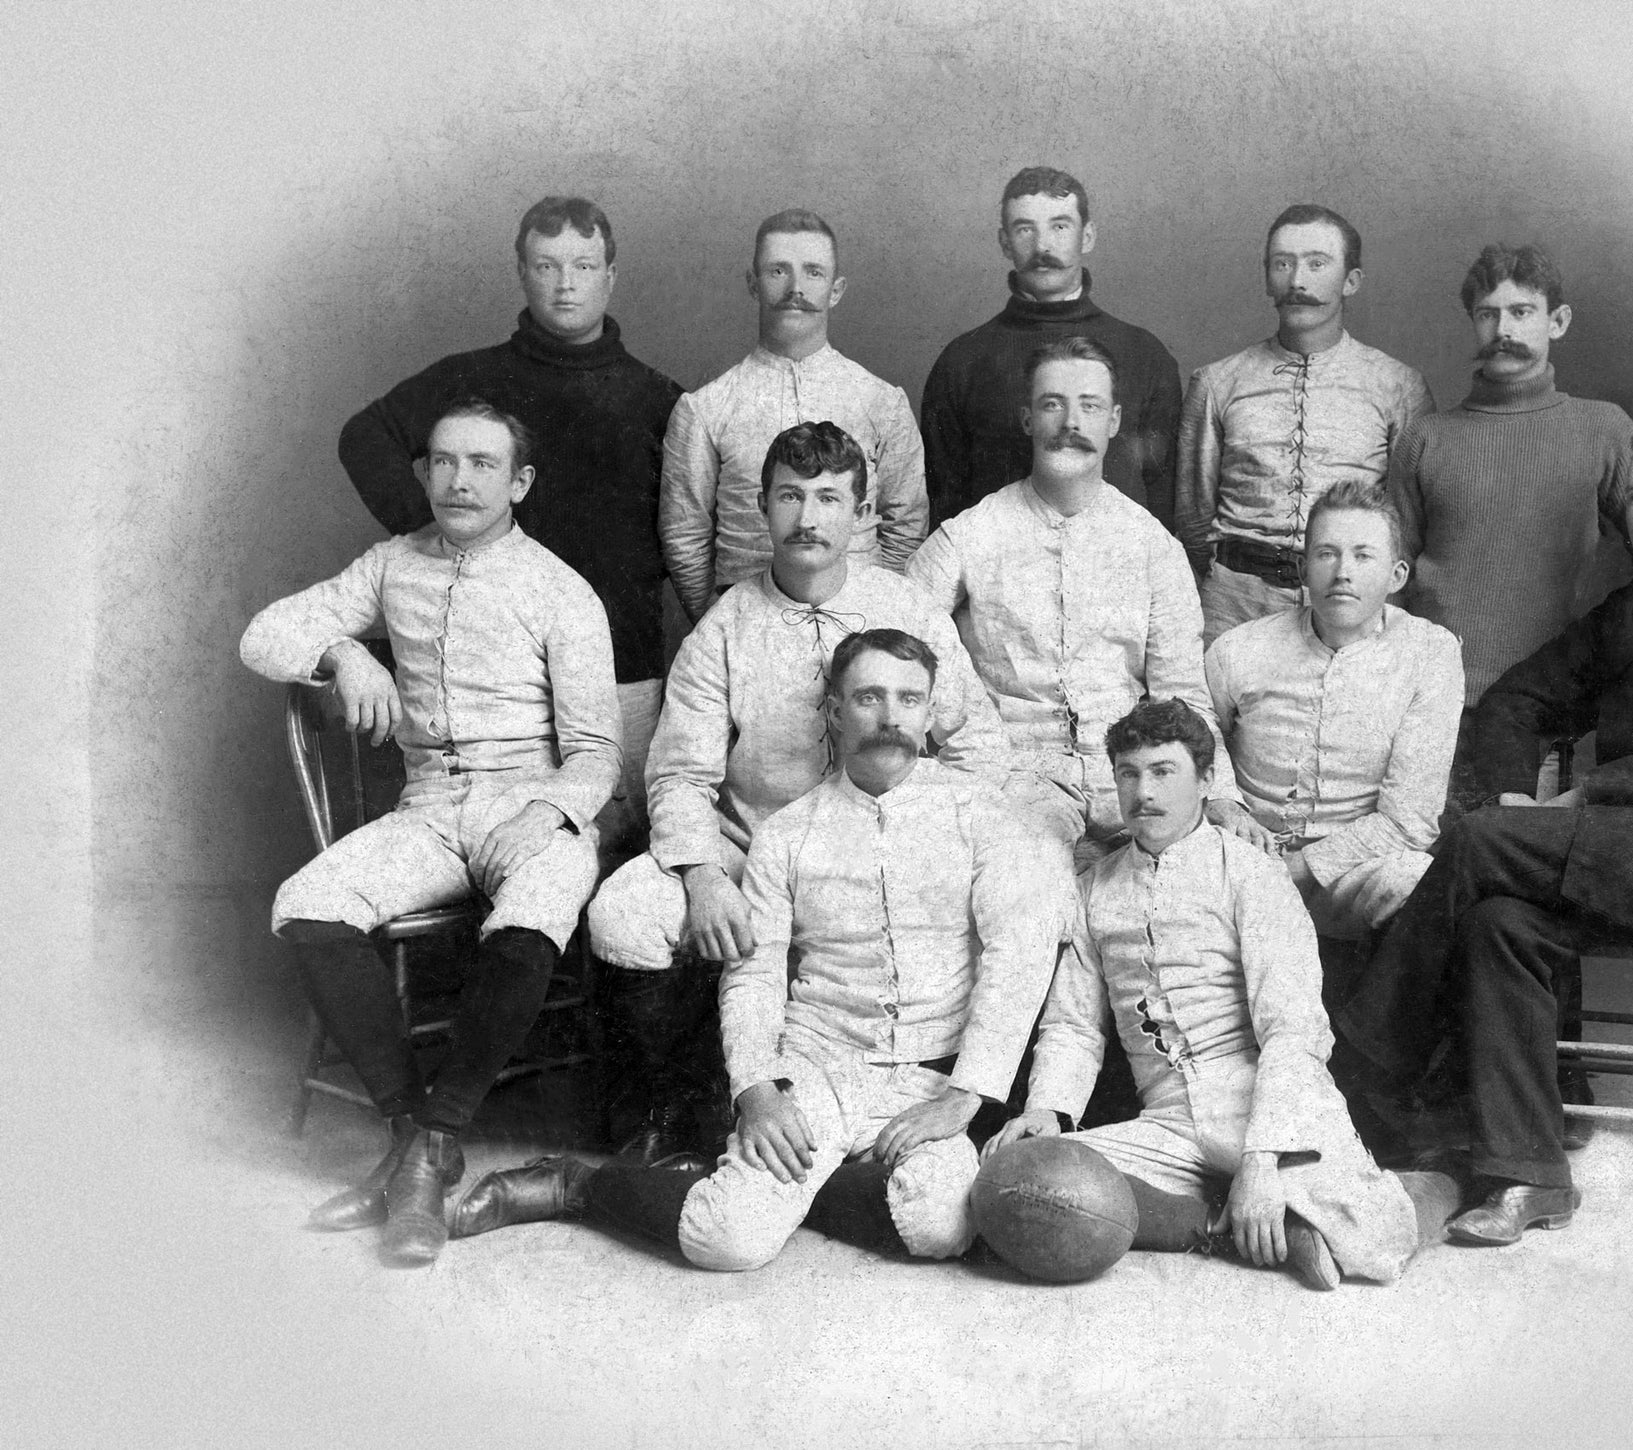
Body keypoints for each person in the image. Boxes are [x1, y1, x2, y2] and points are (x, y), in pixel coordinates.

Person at [448, 630, 1070, 1270]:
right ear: (833, 710)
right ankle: (573, 1185)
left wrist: (965, 1097)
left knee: (940, 1226)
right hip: (821, 1064)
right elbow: (755, 976)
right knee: (727, 1241)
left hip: (931, 1076)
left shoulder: (983, 817)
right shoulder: (788, 834)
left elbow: (1015, 957)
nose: (890, 718)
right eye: (868, 698)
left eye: (909, 700)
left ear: (933, 713)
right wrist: (756, 1091)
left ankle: (780, 1190)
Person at [1329, 426, 1633, 1245]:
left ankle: (1361, 1059)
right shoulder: (1625, 613)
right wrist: (1523, 789)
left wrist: (1576, 800)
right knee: (1497, 923)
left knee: (1482, 842)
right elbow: (1518, 699)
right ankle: (1532, 1175)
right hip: (1615, 863)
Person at [242, 400, 621, 1265]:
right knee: (307, 902)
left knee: (541, 901)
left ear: (519, 482)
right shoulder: (389, 565)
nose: (459, 480)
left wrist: (548, 814)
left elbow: (598, 753)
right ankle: (419, 1136)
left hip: (531, 804)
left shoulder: (560, 589)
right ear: (423, 474)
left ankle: (429, 1136)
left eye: (484, 464)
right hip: (427, 809)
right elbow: (264, 635)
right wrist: (346, 653)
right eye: (444, 461)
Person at [587, 421, 1009, 1161]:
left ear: (860, 512)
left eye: (828, 498)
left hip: (884, 849)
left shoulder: (907, 609)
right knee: (624, 913)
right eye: (790, 496)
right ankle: (671, 1108)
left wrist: (935, 842)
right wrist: (704, 873)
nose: (808, 519)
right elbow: (681, 773)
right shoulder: (725, 627)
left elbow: (976, 745)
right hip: (755, 852)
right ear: (761, 506)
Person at [987, 699, 1460, 1290]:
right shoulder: (1093, 888)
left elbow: (1291, 1030)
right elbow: (1075, 1026)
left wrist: (1262, 1161)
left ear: (1206, 781)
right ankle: (1227, 1224)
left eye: (1163, 772)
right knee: (1030, 1181)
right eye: (1129, 774)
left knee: (1370, 1235)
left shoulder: (1251, 873)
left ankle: (1437, 1186)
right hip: (1166, 1119)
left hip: (1265, 1104)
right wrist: (1046, 1111)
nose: (1143, 792)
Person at [337, 197, 679, 852]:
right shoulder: (475, 377)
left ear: (611, 274)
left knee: (611, 852)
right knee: (497, 852)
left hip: (620, 668)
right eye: (546, 265)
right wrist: (436, 537)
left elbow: (692, 530)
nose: (565, 282)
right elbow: (365, 437)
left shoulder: (661, 400)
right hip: (493, 674)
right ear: (521, 271)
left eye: (583, 264)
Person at [911, 337, 1253, 867]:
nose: (1070, 422)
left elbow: (1182, 693)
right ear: (1028, 420)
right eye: (1053, 404)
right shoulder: (968, 536)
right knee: (1030, 886)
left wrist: (1224, 796)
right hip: (1014, 782)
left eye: (1089, 405)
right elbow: (903, 652)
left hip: (1129, 775)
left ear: (1114, 420)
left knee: (1211, 877)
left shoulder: (1152, 546)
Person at [1205, 481, 1463, 959]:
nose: (1343, 572)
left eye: (1364, 556)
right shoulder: (1238, 648)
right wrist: (1225, 804)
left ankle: (1371, 1032)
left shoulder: (1430, 654)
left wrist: (1298, 868)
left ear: (1398, 574)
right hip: (1239, 861)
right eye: (1326, 554)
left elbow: (1410, 820)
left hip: (1352, 871)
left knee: (1414, 881)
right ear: (1304, 569)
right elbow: (1198, 736)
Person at [1385, 242, 1633, 714]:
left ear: (1557, 322)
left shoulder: (1604, 429)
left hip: (1548, 701)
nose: (1503, 330)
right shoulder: (1426, 437)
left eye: (1521, 312)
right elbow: (1391, 580)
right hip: (1432, 698)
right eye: (1487, 315)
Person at [1178, 205, 1434, 643]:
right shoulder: (1217, 382)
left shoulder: (1398, 386)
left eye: (1317, 263)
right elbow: (1195, 517)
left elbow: (1408, 521)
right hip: (1233, 606)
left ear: (1351, 280)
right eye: (1283, 264)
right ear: (1266, 278)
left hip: (1352, 606)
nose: (1297, 281)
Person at [661, 209, 927, 623]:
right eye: (778, 271)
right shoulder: (705, 408)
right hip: (745, 620)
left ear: (836, 289)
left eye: (814, 272)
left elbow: (906, 523)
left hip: (863, 623)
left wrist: (877, 616)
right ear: (753, 283)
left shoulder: (882, 402)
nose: (796, 288)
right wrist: (718, 622)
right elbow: (684, 533)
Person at [920, 166, 1182, 526]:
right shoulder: (962, 361)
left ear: (1087, 236)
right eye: (1025, 229)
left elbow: (1163, 499)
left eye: (1060, 226)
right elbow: (943, 505)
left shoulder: (1145, 355)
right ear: (1004, 242)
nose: (1042, 246)